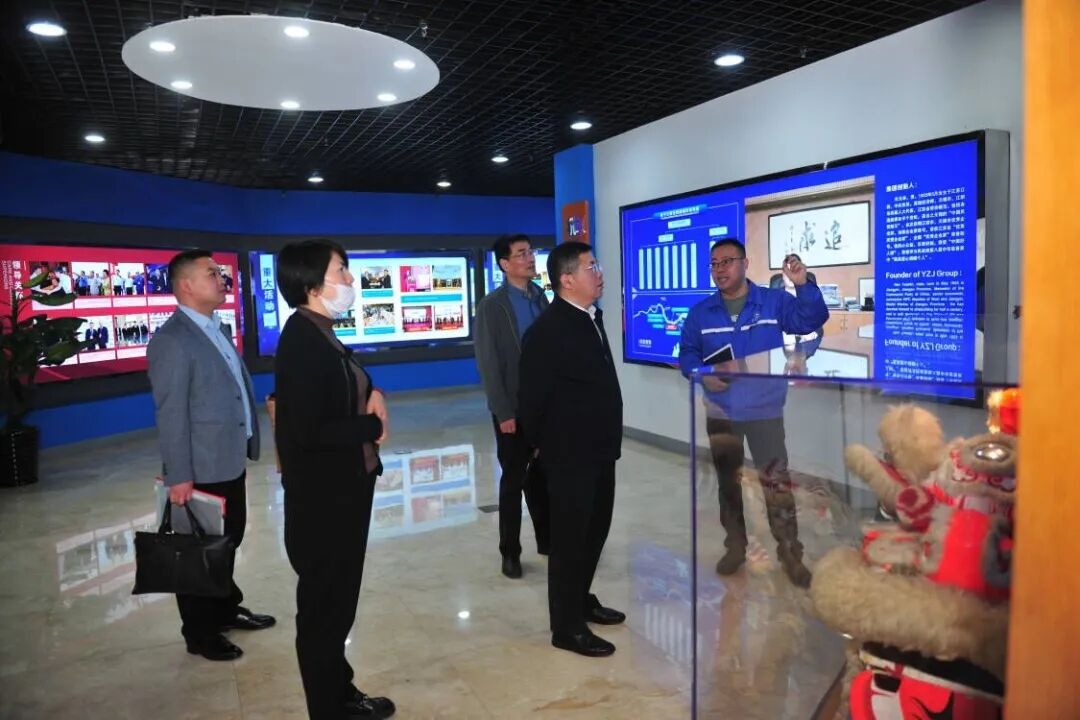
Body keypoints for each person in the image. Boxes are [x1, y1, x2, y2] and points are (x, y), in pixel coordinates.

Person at [274, 239, 395, 720]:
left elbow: (347, 384)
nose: (349, 280)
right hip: (324, 502)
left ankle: (340, 692)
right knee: (324, 610)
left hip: (344, 491)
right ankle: (328, 707)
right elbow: (309, 431)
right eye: (341, 270)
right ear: (311, 283)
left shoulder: (321, 332)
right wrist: (371, 425)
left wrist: (374, 393)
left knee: (337, 605)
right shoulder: (303, 341)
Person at [678, 239, 829, 588]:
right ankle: (735, 548)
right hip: (722, 411)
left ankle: (791, 555)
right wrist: (702, 373)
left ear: (745, 264)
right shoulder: (701, 313)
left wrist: (803, 284)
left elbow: (811, 318)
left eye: (727, 262)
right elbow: (687, 355)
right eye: (714, 264)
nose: (719, 270)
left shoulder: (774, 302)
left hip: (765, 410)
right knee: (728, 486)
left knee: (776, 484)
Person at [146, 249, 274, 662]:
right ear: (186, 285)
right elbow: (171, 413)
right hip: (199, 467)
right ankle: (200, 633)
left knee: (227, 541)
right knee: (198, 552)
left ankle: (224, 609)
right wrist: (179, 475)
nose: (222, 279)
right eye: (212, 273)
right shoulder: (172, 340)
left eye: (221, 273)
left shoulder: (215, 328)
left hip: (227, 458)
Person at [518, 241, 625, 658]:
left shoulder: (589, 317)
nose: (599, 273)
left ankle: (580, 600)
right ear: (566, 279)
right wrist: (544, 448)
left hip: (599, 450)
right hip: (569, 455)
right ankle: (566, 626)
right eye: (590, 266)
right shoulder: (547, 331)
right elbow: (531, 400)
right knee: (569, 540)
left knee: (594, 531)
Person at [474, 234, 551, 579]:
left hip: (544, 406)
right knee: (513, 481)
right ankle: (510, 552)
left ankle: (547, 540)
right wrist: (502, 411)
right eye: (522, 254)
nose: (530, 258)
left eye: (531, 252)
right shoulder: (493, 306)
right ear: (505, 264)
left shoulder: (540, 297)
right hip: (513, 407)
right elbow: (488, 362)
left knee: (542, 477)